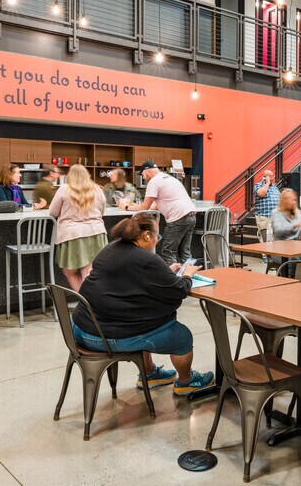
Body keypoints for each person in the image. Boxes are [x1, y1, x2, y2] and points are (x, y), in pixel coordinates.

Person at [70, 212, 214, 396]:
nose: (157, 240)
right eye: (157, 236)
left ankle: (150, 374)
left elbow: (129, 279)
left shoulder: (110, 249)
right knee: (182, 336)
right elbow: (178, 290)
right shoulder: (147, 260)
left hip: (80, 329)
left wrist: (165, 272)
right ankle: (186, 382)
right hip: (105, 337)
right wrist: (187, 275)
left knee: (143, 321)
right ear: (147, 235)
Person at [121, 161, 195, 266]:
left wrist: (126, 207)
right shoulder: (169, 178)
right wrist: (133, 205)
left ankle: (172, 280)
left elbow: (144, 208)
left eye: (143, 174)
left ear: (148, 171)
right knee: (185, 251)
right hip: (191, 216)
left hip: (178, 218)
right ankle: (190, 277)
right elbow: (154, 206)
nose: (143, 177)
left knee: (168, 251)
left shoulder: (154, 181)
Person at [49, 164, 107, 291]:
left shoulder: (65, 189)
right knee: (88, 272)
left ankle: (86, 304)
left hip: (73, 234)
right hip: (97, 233)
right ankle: (91, 304)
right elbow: (102, 212)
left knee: (69, 271)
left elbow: (53, 212)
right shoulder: (97, 189)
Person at [253, 170, 280, 240]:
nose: (272, 178)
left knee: (276, 241)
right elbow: (261, 194)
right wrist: (267, 183)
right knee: (266, 241)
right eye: (270, 176)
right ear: (264, 177)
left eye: (272, 176)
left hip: (276, 218)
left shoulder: (274, 187)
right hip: (265, 217)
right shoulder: (258, 185)